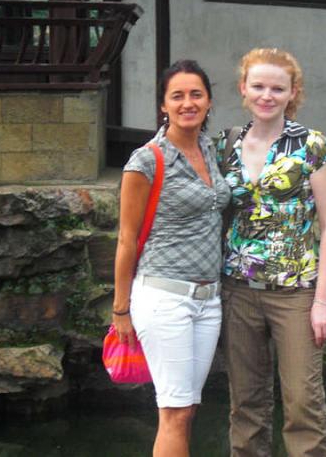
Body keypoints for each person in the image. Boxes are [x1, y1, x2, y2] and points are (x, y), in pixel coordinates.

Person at [218, 48, 326, 457]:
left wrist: (323, 302)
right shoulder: (226, 144)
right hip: (238, 289)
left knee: (303, 403)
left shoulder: (312, 146)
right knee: (246, 404)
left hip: (296, 292)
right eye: (258, 86)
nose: (267, 95)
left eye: (277, 88)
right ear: (243, 88)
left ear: (293, 92)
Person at [113, 60, 230, 457]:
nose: (187, 103)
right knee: (175, 411)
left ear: (209, 100)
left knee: (187, 408)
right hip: (164, 298)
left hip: (208, 300)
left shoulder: (210, 149)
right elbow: (127, 239)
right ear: (163, 104)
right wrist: (121, 309)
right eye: (177, 96)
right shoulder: (146, 160)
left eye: (196, 94)